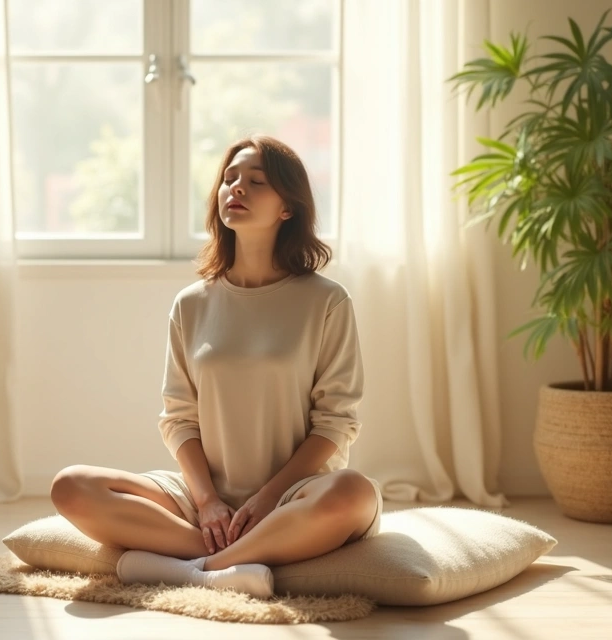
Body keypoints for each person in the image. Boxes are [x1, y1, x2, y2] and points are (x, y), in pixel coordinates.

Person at [49, 135, 382, 599]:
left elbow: (336, 423)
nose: (236, 188)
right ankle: (222, 565)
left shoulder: (326, 301)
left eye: (255, 181)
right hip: (203, 498)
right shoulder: (192, 304)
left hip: (295, 495)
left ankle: (198, 567)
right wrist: (207, 501)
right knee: (71, 487)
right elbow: (179, 418)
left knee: (354, 494)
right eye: (229, 179)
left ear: (288, 208)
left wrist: (267, 499)